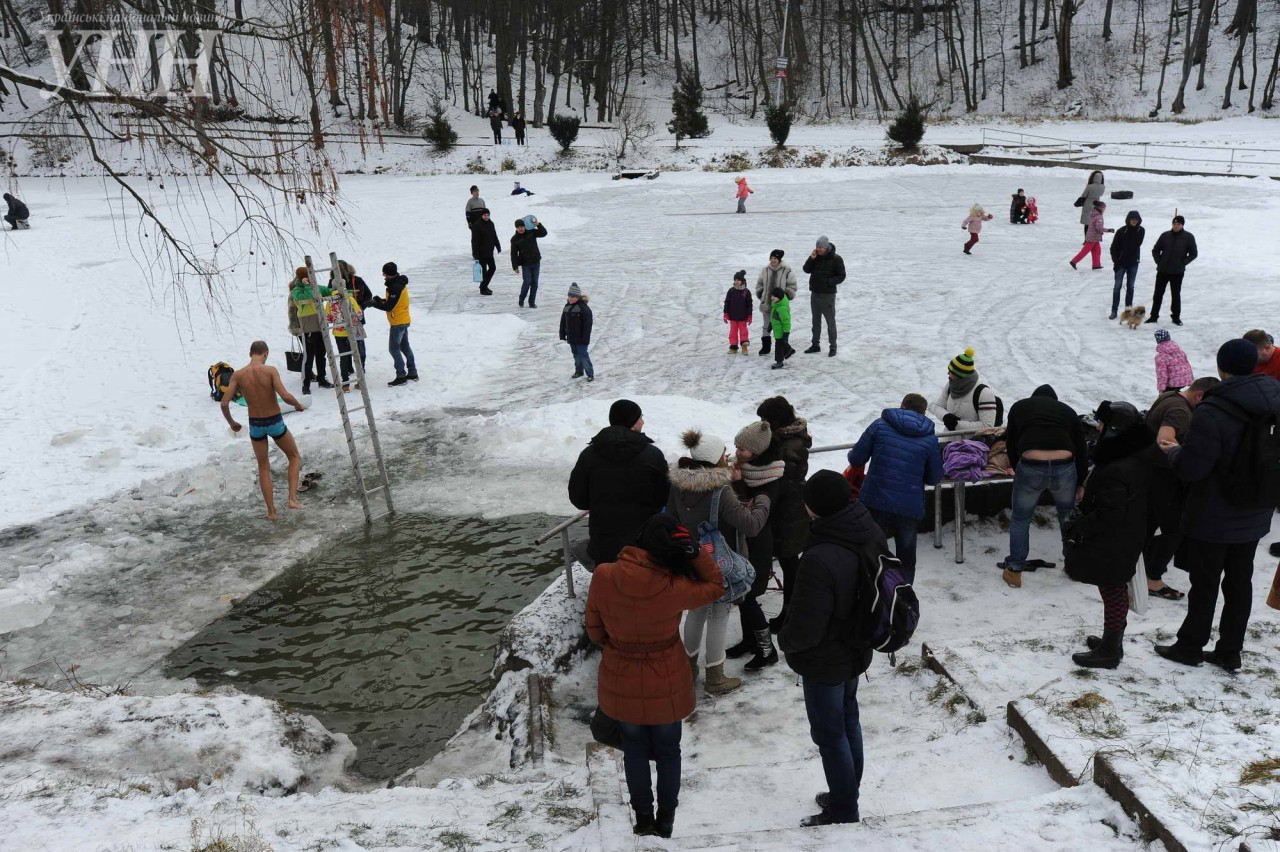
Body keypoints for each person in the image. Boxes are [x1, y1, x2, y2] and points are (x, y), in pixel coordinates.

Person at [585, 514, 725, 839]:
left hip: (621, 671)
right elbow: (717, 585)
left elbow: (594, 628)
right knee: (668, 751)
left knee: (633, 749)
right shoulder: (674, 585)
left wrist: (615, 646)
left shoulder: (605, 575)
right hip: (668, 674)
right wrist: (695, 554)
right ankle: (666, 820)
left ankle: (643, 818)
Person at [1155, 338, 1280, 672]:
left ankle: (1190, 647)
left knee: (1205, 583)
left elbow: (1193, 467)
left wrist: (1173, 451)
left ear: (1221, 369)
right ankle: (1229, 651)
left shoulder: (1213, 409)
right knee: (1240, 581)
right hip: (1256, 509)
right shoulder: (1274, 398)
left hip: (1214, 512)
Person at [779, 470, 884, 828]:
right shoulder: (865, 528)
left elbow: (807, 626)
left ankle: (843, 807)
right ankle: (846, 791)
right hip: (857, 645)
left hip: (826, 658)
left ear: (813, 507)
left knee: (830, 733)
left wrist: (785, 642)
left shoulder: (820, 557)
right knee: (848, 718)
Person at [668, 429, 771, 696]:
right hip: (719, 564)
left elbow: (672, 518)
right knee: (718, 616)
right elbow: (751, 526)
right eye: (724, 453)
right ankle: (715, 677)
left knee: (696, 612)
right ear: (714, 460)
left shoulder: (678, 484)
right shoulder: (721, 491)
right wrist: (763, 501)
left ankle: (688, 671)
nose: (728, 456)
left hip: (690, 558)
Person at [1064, 401, 1161, 668]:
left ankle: (1110, 650)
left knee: (1113, 588)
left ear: (1115, 430)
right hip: (1125, 532)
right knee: (1112, 588)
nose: (1098, 427)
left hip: (1117, 536)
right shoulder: (1133, 454)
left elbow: (1110, 512)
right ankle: (1111, 642)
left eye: (1103, 424)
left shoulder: (1120, 467)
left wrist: (1079, 526)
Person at [846, 393, 944, 583]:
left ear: (901, 406)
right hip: (908, 506)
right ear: (923, 413)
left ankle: (868, 593)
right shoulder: (930, 439)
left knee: (870, 550)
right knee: (906, 556)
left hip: (875, 500)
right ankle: (903, 599)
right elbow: (934, 478)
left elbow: (856, 458)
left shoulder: (879, 425)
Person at [997, 384, 1088, 588]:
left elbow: (1011, 441)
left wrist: (1016, 466)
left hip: (1031, 465)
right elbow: (1082, 449)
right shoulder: (1068, 411)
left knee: (1021, 519)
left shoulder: (1020, 407)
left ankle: (1014, 570)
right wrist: (1080, 482)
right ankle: (1074, 565)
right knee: (1067, 515)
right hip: (1064, 466)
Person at [1143, 376, 1220, 600]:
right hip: (1165, 477)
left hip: (1149, 472)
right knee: (1176, 529)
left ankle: (1136, 568)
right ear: (1200, 396)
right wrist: (1184, 455)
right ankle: (1152, 579)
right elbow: (1164, 438)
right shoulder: (1180, 412)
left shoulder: (1170, 395)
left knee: (1149, 522)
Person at [568, 399, 670, 567]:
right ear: (632, 421)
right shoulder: (653, 455)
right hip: (644, 543)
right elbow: (663, 498)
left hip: (603, 546)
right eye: (640, 417)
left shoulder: (589, 455)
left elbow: (578, 499)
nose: (643, 421)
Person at [220, 340, 306, 521]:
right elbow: (285, 396)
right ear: (265, 353)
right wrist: (297, 405)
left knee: (263, 466)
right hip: (274, 421)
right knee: (294, 456)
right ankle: (292, 500)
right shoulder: (270, 371)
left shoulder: (239, 374)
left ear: (250, 353)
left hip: (256, 424)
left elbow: (224, 402)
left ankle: (271, 512)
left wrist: (232, 423)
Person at [725, 421, 782, 670]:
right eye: (737, 446)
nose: (738, 452)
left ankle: (767, 650)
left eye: (743, 449)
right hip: (743, 540)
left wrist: (737, 484)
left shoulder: (770, 479)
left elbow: (753, 512)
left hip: (757, 542)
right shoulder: (747, 469)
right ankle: (750, 641)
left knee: (748, 595)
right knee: (743, 594)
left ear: (757, 453)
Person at [757, 396, 811, 632]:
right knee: (789, 561)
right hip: (787, 509)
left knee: (789, 562)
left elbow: (784, 480)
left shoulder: (789, 446)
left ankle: (791, 610)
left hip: (788, 512)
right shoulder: (785, 440)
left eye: (764, 420)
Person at [929, 348, 1003, 433]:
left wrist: (957, 424)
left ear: (960, 374)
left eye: (951, 371)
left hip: (973, 444)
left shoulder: (983, 393)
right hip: (949, 442)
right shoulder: (950, 385)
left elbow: (987, 426)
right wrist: (945, 416)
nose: (948, 373)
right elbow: (938, 407)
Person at [368, 261, 417, 386]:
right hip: (403, 320)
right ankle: (412, 372)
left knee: (393, 349)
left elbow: (390, 306)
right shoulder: (398, 284)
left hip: (398, 322)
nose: (384, 276)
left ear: (389, 274)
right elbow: (392, 302)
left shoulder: (395, 287)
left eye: (385, 274)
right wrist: (380, 300)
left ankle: (401, 375)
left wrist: (374, 304)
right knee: (404, 347)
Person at [1145, 215, 1198, 326]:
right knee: (1158, 294)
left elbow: (1193, 254)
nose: (1176, 226)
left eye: (1178, 224)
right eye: (1174, 224)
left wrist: (1183, 263)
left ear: (1182, 225)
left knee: (1175, 295)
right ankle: (1154, 316)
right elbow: (1155, 250)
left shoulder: (1188, 237)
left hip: (1177, 272)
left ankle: (1176, 317)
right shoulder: (1165, 235)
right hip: (1163, 270)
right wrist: (1159, 261)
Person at [290, 267, 334, 394]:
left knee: (321, 353)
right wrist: (308, 286)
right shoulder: (296, 290)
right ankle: (306, 384)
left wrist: (339, 289)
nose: (310, 278)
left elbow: (329, 291)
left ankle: (322, 379)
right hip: (308, 325)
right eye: (308, 276)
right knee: (309, 356)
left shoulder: (316, 287)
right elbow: (309, 295)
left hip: (321, 323)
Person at [802, 236, 845, 356]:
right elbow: (806, 269)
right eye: (817, 246)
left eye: (820, 247)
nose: (818, 249)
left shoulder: (836, 259)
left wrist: (829, 282)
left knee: (830, 321)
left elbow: (841, 275)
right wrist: (811, 258)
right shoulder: (815, 257)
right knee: (815, 321)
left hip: (828, 295)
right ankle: (815, 345)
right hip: (815, 293)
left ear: (826, 247)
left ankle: (833, 347)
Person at [755, 249, 797, 356]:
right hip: (767, 304)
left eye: (775, 258)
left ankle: (784, 348)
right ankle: (766, 347)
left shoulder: (786, 270)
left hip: (780, 306)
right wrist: (762, 295)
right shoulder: (765, 270)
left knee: (781, 327)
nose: (773, 260)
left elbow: (792, 286)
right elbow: (759, 284)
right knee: (766, 326)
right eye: (772, 258)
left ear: (779, 259)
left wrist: (784, 298)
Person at [325, 287, 364, 391]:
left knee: (343, 357)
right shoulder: (350, 299)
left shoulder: (330, 301)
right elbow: (359, 315)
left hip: (338, 333)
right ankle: (360, 382)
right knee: (356, 355)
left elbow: (327, 318)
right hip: (352, 332)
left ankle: (345, 384)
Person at [1108, 210, 1145, 320]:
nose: (1134, 221)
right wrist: (1117, 262)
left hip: (1133, 263)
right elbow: (1113, 248)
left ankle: (1128, 311)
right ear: (1128, 219)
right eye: (1132, 219)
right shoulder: (1121, 231)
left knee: (1130, 287)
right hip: (1121, 264)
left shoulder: (1141, 230)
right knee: (1117, 287)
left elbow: (1136, 243)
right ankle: (1114, 310)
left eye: (1136, 219)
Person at [559, 283, 594, 381]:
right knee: (576, 355)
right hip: (571, 337)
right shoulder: (567, 307)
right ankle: (579, 371)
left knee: (583, 355)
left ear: (578, 297)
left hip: (581, 338)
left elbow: (588, 325)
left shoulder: (584, 309)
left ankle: (590, 373)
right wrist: (562, 334)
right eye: (569, 296)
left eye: (573, 296)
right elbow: (563, 322)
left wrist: (585, 339)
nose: (570, 298)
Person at [511, 216, 548, 308]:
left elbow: (544, 233)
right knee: (527, 281)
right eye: (518, 227)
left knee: (535, 283)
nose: (520, 229)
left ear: (524, 226)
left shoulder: (531, 232)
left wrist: (538, 224)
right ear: (516, 228)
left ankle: (532, 302)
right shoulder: (515, 239)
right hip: (525, 263)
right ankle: (521, 298)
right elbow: (513, 254)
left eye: (522, 227)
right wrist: (515, 266)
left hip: (536, 261)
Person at [1069, 200, 1114, 270]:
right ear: (1100, 208)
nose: (1105, 209)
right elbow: (1099, 228)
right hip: (1093, 237)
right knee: (1085, 251)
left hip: (1093, 237)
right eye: (1104, 208)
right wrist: (1108, 230)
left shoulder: (1094, 213)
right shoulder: (1098, 217)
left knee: (1097, 250)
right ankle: (1073, 261)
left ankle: (1096, 265)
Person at [470, 208, 500, 296]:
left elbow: (494, 235)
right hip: (481, 253)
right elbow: (474, 241)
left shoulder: (491, 224)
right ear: (482, 215)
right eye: (484, 215)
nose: (486, 217)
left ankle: (484, 285)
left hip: (489, 251)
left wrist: (498, 246)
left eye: (488, 215)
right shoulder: (477, 225)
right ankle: (483, 289)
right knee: (483, 271)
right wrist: (475, 254)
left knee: (492, 268)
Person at [1153, 328, 1194, 392]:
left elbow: (1162, 374)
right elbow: (1188, 365)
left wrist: (1161, 389)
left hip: (1172, 384)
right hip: (1185, 380)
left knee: (1167, 398)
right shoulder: (1180, 352)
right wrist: (1191, 380)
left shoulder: (1160, 357)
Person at [723, 270, 753, 354]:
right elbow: (727, 302)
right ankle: (733, 347)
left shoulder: (746, 292)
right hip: (732, 316)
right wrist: (726, 313)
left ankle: (744, 347)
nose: (736, 282)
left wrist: (750, 315)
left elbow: (749, 304)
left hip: (743, 316)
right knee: (733, 332)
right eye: (735, 280)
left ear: (742, 281)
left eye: (738, 280)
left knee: (743, 332)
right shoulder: (731, 291)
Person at [769, 287, 793, 369]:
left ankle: (779, 362)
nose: (772, 298)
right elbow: (774, 318)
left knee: (779, 346)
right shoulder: (776, 305)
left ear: (779, 297)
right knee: (782, 343)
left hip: (781, 331)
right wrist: (770, 325)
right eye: (772, 296)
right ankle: (790, 350)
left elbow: (787, 322)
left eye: (775, 296)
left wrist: (786, 333)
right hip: (777, 330)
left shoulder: (782, 309)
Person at [1077, 171, 1106, 236]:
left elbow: (1084, 195)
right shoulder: (1103, 186)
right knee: (1094, 223)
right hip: (1097, 204)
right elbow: (1101, 194)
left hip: (1088, 203)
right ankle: (1093, 238)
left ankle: (1086, 239)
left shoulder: (1089, 186)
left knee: (1087, 223)